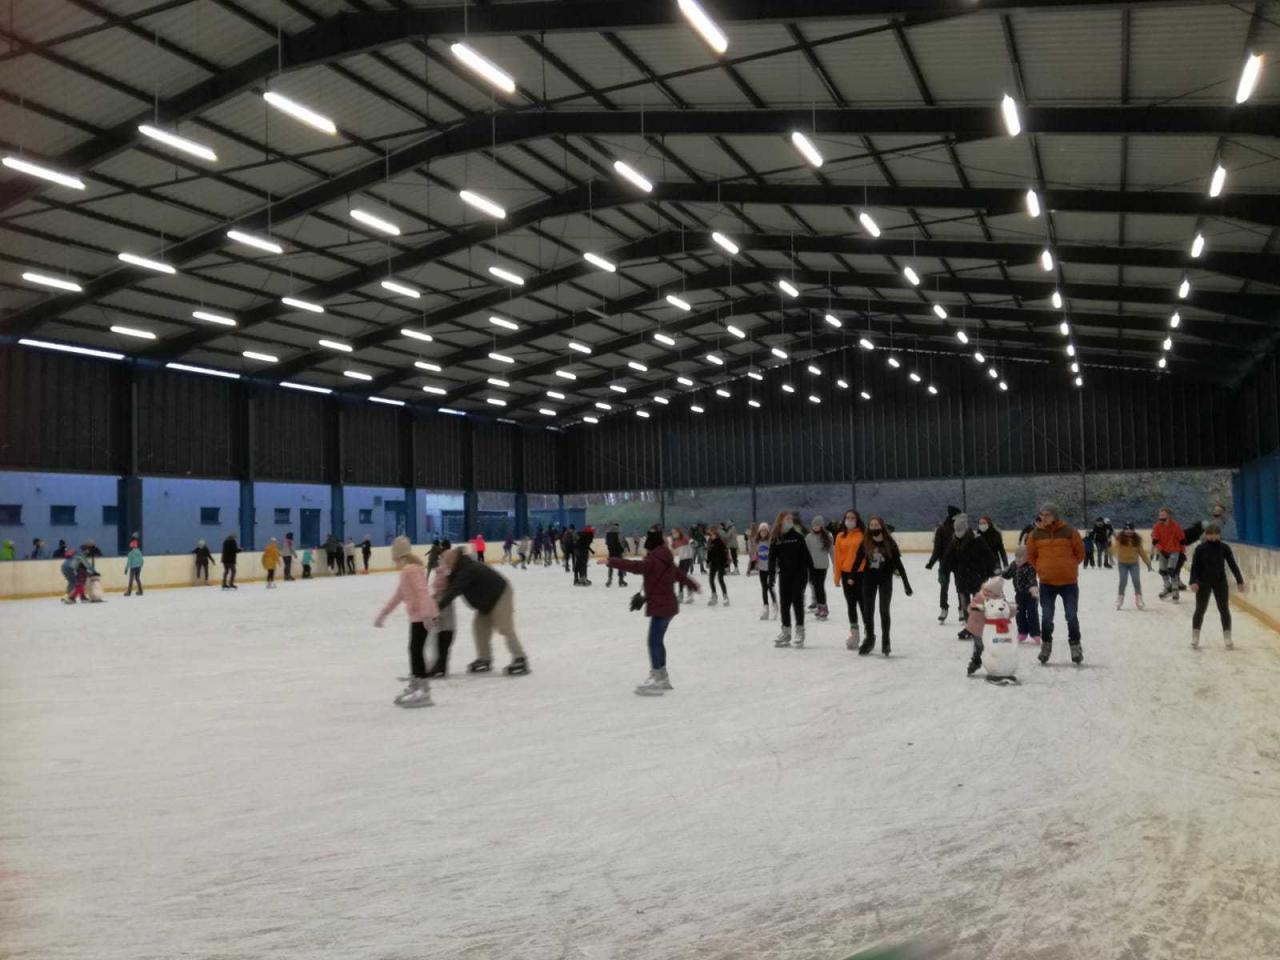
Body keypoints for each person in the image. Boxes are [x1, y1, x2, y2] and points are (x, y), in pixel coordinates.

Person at [603, 524, 700, 695]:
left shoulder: (653, 561)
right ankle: (662, 675)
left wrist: (611, 561)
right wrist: (693, 585)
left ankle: (657, 678)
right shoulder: (666, 559)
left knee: (653, 641)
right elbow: (681, 575)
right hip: (669, 607)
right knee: (658, 640)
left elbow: (633, 566)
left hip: (661, 608)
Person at [435, 547, 528, 676]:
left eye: (447, 562)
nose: (446, 565)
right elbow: (448, 587)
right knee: (479, 628)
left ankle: (520, 658)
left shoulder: (466, 569)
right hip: (485, 602)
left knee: (504, 627)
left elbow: (453, 591)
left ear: (454, 559)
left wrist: (435, 609)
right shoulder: (458, 569)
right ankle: (485, 658)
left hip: (500, 595)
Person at [375, 535, 439, 708]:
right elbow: (398, 595)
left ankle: (423, 690)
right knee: (414, 649)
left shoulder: (410, 570)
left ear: (397, 555)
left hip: (423, 616)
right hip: (420, 615)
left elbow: (422, 591)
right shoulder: (409, 570)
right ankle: (418, 684)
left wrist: (426, 615)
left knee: (415, 650)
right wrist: (384, 614)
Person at [1025, 501, 1086, 665]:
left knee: (1071, 616)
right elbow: (1030, 555)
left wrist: (1069, 566)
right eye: (1041, 515)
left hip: (1069, 583)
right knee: (1046, 617)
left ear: (1055, 516)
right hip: (1047, 583)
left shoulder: (1070, 532)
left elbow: (1080, 553)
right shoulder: (1035, 535)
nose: (1043, 518)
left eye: (1047, 515)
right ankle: (1046, 646)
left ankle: (1075, 647)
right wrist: (1041, 567)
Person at [852, 517, 912, 656]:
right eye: (871, 525)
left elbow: (899, 565)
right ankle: (870, 639)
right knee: (868, 611)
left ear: (882, 526)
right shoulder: (865, 542)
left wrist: (906, 584)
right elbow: (857, 561)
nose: (874, 527)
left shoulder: (890, 543)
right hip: (868, 580)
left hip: (885, 580)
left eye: (876, 525)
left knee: (884, 610)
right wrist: (851, 577)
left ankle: (886, 641)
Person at [1189, 523, 1245, 650]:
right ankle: (1195, 636)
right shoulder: (1200, 549)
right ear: (1206, 535)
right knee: (1200, 609)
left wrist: (1239, 580)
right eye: (1210, 535)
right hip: (1203, 583)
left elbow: (1232, 564)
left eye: (1216, 535)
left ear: (1219, 535)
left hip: (1220, 582)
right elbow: (1195, 568)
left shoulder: (1224, 548)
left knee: (1224, 609)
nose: (1213, 537)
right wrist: (1193, 581)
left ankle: (1227, 637)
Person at [945, 513, 997, 641]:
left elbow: (989, 555)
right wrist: (944, 570)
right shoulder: (954, 541)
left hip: (977, 576)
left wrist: (991, 571)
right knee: (965, 604)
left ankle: (978, 627)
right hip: (962, 577)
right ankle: (970, 627)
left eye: (960, 530)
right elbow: (948, 557)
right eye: (956, 531)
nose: (958, 533)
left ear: (966, 529)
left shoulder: (977, 539)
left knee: (977, 604)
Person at [769, 510, 814, 648]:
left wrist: (811, 574)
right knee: (785, 604)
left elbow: (807, 557)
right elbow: (771, 559)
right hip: (784, 575)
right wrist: (771, 576)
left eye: (791, 519)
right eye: (787, 519)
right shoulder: (776, 538)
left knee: (797, 601)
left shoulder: (798, 537)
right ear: (781, 520)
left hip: (799, 575)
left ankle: (800, 631)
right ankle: (786, 631)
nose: (790, 521)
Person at [832, 509, 867, 650]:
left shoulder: (864, 535)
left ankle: (869, 633)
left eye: (852, 518)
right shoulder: (840, 536)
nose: (850, 520)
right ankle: (855, 634)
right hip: (847, 575)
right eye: (847, 518)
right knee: (851, 604)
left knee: (864, 605)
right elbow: (838, 558)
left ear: (857, 520)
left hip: (862, 574)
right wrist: (837, 577)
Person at [925, 505, 962, 624]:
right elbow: (937, 548)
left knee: (960, 587)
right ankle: (944, 608)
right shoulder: (941, 529)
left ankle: (962, 609)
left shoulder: (961, 528)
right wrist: (931, 562)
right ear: (953, 516)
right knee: (944, 587)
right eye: (958, 515)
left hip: (959, 563)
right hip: (945, 563)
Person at [1004, 546, 1041, 643]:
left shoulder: (1030, 566)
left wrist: (1033, 589)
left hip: (1030, 595)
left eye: (1021, 557)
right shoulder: (1014, 565)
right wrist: (1002, 573)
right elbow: (1008, 575)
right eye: (1016, 557)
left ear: (1027, 557)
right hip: (1019, 595)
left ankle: (1035, 633)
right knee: (1019, 614)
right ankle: (1022, 633)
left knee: (1032, 614)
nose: (1018, 559)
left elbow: (1032, 579)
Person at [1110, 522, 1151, 609]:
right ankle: (1120, 598)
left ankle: (1139, 599)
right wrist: (1110, 553)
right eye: (1127, 529)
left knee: (1136, 581)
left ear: (1133, 530)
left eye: (1131, 529)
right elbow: (1114, 549)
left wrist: (1147, 563)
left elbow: (1142, 552)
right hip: (1122, 564)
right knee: (1123, 581)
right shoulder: (1120, 540)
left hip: (1134, 564)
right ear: (1124, 530)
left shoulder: (1136, 541)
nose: (1129, 531)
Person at [427, 563, 457, 676]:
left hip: (447, 628)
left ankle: (440, 667)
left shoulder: (446, 597)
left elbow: (441, 613)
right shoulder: (437, 595)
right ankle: (440, 667)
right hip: (443, 628)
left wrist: (433, 617)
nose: (437, 584)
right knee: (441, 647)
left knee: (443, 647)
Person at [1152, 507, 1187, 602]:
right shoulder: (1157, 526)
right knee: (1163, 571)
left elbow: (1182, 540)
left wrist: (1182, 552)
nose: (1160, 516)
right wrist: (1162, 551)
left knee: (1172, 570)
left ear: (1168, 515)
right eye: (1160, 515)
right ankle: (1167, 587)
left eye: (1163, 515)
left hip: (1174, 551)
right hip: (1163, 551)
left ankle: (1175, 590)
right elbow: (1155, 541)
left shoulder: (1175, 526)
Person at [802, 515, 833, 620]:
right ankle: (820, 606)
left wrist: (835, 565)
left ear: (822, 526)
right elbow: (806, 553)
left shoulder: (827, 536)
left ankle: (824, 607)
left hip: (823, 566)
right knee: (815, 586)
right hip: (812, 567)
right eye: (814, 525)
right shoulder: (808, 537)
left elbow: (832, 551)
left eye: (818, 525)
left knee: (819, 586)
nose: (816, 527)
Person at [750, 521, 778, 620]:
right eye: (762, 531)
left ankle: (775, 606)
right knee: (764, 588)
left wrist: (777, 565)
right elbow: (755, 554)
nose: (763, 533)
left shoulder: (771, 541)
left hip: (771, 568)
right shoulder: (757, 542)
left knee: (770, 587)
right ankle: (766, 608)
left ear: (768, 532)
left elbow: (776, 554)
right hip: (762, 568)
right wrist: (752, 565)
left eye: (765, 531)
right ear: (759, 532)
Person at [706, 525, 729, 606]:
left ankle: (725, 597)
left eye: (712, 534)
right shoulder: (710, 542)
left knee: (720, 579)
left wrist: (726, 564)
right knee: (711, 580)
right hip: (713, 563)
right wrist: (708, 561)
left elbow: (725, 553)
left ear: (716, 534)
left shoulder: (720, 542)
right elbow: (709, 552)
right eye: (710, 534)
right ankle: (714, 596)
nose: (711, 536)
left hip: (721, 563)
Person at [670, 526, 694, 602]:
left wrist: (693, 542)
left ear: (679, 532)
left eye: (675, 532)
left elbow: (691, 541)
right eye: (672, 533)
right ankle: (681, 594)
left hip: (688, 559)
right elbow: (673, 551)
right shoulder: (674, 541)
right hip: (682, 559)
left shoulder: (684, 538)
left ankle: (689, 592)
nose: (673, 534)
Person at [604, 521, 628, 588]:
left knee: (610, 566)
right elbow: (621, 542)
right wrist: (622, 549)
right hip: (618, 552)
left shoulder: (608, 533)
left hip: (611, 552)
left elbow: (606, 542)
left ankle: (609, 580)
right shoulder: (619, 532)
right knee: (620, 566)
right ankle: (621, 580)